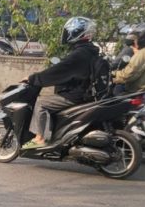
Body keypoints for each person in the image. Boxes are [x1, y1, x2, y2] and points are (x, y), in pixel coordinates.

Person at [21, 17, 99, 149]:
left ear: (75, 33)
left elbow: (58, 71)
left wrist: (33, 79)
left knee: (41, 103)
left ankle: (39, 138)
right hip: (87, 92)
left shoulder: (79, 54)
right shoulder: (91, 51)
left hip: (76, 95)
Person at [113, 23, 145, 94]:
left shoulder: (143, 53)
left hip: (140, 92)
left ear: (144, 38)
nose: (135, 41)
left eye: (137, 38)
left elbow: (128, 75)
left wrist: (113, 74)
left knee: (116, 91)